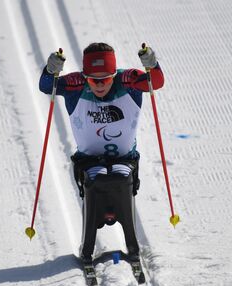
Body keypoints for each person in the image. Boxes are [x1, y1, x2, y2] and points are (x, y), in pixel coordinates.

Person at [39, 42, 164, 265]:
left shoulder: (128, 82)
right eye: (93, 80)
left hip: (124, 159)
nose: (99, 85)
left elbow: (156, 82)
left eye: (106, 79)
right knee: (94, 183)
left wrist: (152, 65)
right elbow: (47, 86)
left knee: (121, 178)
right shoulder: (76, 85)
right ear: (85, 76)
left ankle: (132, 245)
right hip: (88, 161)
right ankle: (87, 247)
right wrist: (50, 69)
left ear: (114, 75)